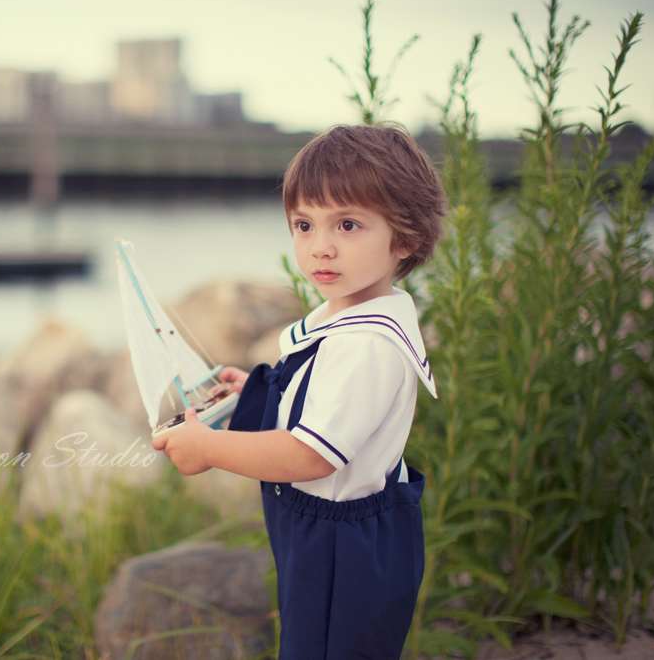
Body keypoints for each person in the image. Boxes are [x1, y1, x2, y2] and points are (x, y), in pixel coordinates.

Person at [151, 123, 448, 659]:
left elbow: (311, 454)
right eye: (304, 225)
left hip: (341, 546)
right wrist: (256, 395)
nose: (321, 248)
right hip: (327, 530)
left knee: (327, 646)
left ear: (405, 237)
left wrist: (209, 448)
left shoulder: (369, 345)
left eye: (348, 225)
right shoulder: (348, 313)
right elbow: (321, 397)